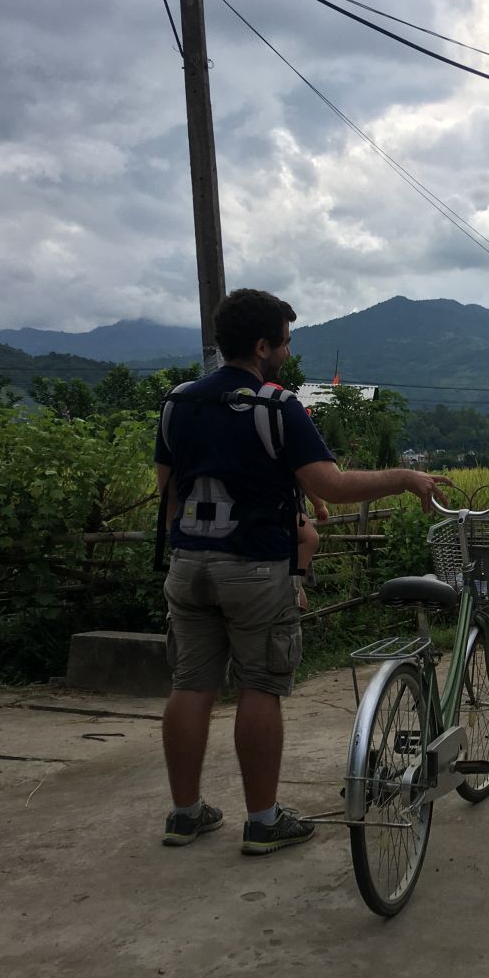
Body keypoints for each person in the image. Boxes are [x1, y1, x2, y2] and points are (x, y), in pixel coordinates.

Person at [154, 288, 450, 855]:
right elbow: (330, 487)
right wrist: (406, 478)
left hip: (189, 564)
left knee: (189, 684)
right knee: (260, 686)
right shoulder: (275, 406)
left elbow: (167, 490)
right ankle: (263, 821)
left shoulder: (179, 402)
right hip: (256, 568)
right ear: (262, 346)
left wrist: (185, 546)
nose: (288, 354)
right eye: (285, 343)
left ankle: (185, 813)